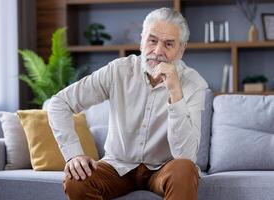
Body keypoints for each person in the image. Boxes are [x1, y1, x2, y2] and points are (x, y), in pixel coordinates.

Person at [48, 7, 208, 200]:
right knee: (76, 179)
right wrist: (73, 155)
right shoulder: (118, 71)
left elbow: (186, 155)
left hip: (164, 169)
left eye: (168, 44)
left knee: (185, 168)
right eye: (152, 40)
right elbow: (59, 103)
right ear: (141, 40)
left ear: (181, 49)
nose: (158, 51)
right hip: (117, 167)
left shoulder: (194, 84)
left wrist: (175, 91)